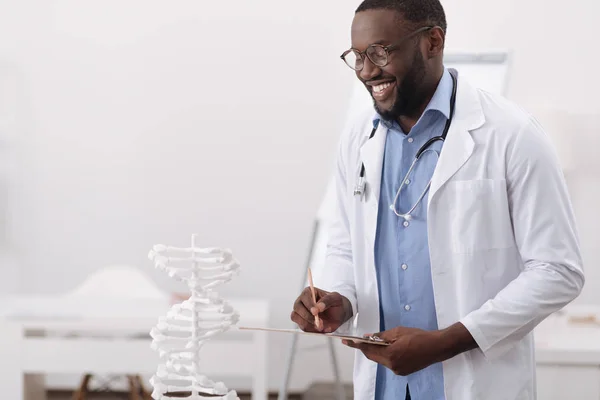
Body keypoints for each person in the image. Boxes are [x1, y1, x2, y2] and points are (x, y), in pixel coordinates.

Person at [289, 0, 585, 399]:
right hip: (383, 387)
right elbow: (345, 246)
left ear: (433, 40)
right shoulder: (359, 138)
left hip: (474, 383)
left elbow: (557, 271)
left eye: (380, 52)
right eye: (356, 57)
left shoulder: (513, 135)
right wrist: (338, 299)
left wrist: (447, 342)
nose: (366, 71)